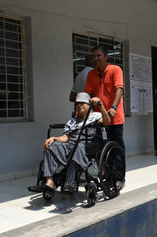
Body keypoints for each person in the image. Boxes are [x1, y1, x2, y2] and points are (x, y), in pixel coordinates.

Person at [30, 92, 109, 195]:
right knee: (50, 146)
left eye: (82, 103)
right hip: (71, 144)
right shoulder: (72, 121)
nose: (79, 105)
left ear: (89, 105)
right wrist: (54, 138)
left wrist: (101, 105)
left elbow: (107, 122)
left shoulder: (96, 116)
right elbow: (65, 137)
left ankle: (69, 184)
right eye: (77, 104)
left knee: (77, 147)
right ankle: (49, 183)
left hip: (88, 145)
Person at [84, 45, 126, 190]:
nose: (96, 58)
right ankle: (105, 174)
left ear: (106, 57)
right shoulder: (91, 74)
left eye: (99, 55)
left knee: (116, 148)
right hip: (99, 118)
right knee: (98, 148)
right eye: (94, 56)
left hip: (114, 117)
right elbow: (88, 94)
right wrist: (83, 110)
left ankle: (119, 177)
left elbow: (119, 90)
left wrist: (113, 108)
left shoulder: (115, 70)